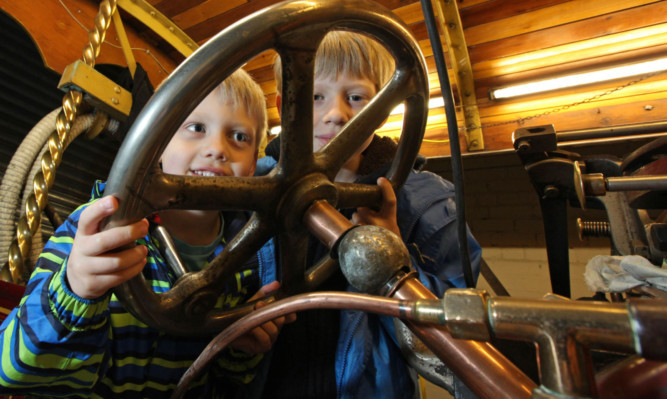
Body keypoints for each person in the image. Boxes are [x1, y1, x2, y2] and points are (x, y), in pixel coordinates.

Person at [0, 68, 287, 398]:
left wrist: (241, 348)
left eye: (239, 137)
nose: (217, 149)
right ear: (159, 144)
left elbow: (223, 378)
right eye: (196, 128)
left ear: (252, 165)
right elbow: (11, 369)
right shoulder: (95, 231)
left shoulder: (245, 262)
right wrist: (76, 289)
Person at [254, 31, 483, 399]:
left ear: (382, 107)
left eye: (356, 97)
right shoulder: (247, 192)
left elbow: (459, 326)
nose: (336, 115)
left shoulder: (427, 204)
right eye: (315, 96)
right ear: (284, 106)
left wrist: (393, 257)